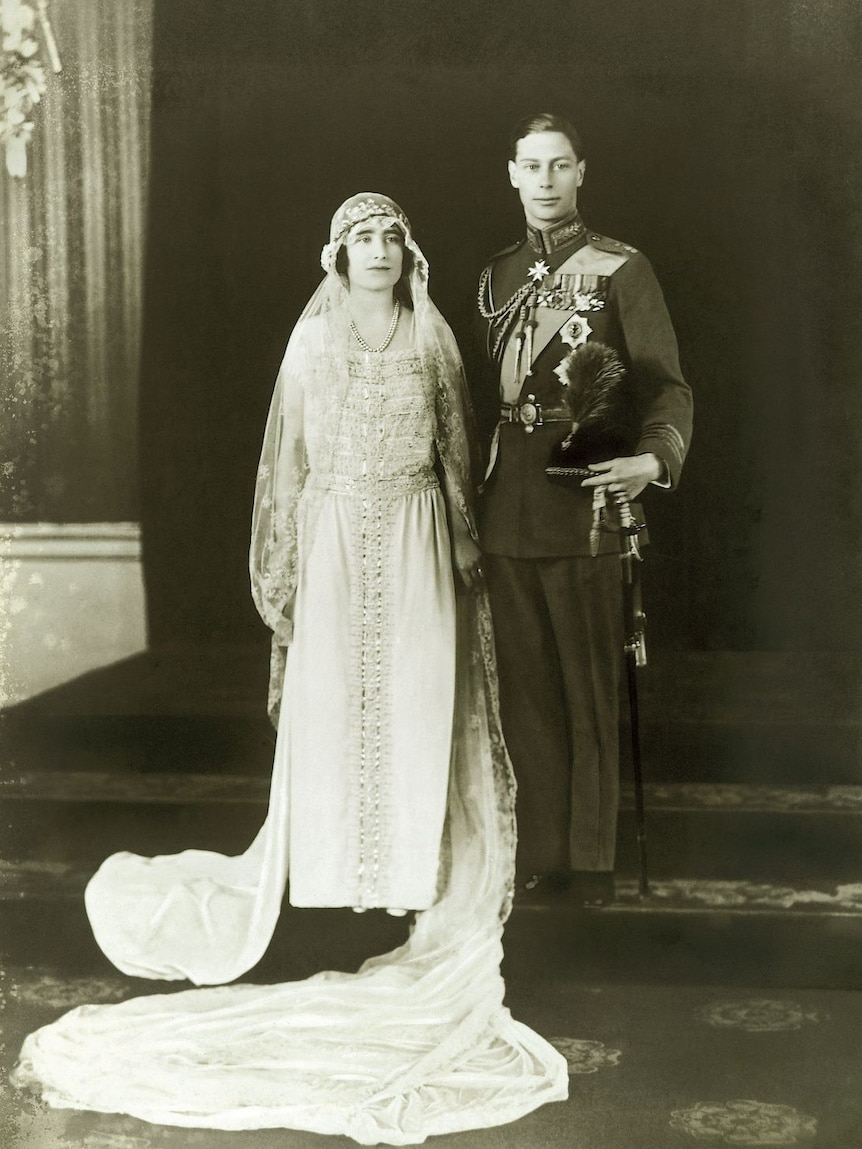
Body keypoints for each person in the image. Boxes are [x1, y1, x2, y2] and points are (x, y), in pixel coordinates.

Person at [13, 193, 568, 1143]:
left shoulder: (432, 337)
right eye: (363, 239)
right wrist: (294, 572)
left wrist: (467, 545)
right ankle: (332, 868)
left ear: (408, 252)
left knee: (415, 703)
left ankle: (404, 870)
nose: (381, 252)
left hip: (418, 538)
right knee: (338, 710)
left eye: (392, 237)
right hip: (336, 540)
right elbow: (293, 462)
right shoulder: (311, 344)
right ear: (337, 255)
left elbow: (450, 450)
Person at [476, 114, 693, 906]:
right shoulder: (494, 277)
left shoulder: (621, 269)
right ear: (511, 174)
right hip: (509, 508)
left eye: (558, 166)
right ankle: (543, 851)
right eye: (530, 166)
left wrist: (652, 457)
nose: (543, 181)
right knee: (527, 693)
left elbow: (666, 384)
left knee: (589, 689)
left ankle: (593, 861)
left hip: (589, 498)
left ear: (580, 174)